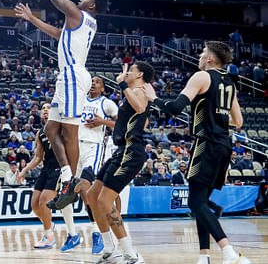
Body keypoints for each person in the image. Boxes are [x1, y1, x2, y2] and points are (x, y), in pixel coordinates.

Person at [14, 0, 109, 210]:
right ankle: (68, 175)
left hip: (72, 76)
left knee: (69, 131)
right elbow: (58, 35)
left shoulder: (79, 14)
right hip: (70, 76)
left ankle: (73, 179)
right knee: (50, 130)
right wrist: (32, 19)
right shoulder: (84, 23)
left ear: (91, 5)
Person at [143, 41, 249, 264]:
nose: (200, 56)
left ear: (210, 58)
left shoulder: (202, 77)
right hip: (224, 145)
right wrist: (216, 118)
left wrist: (153, 98)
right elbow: (238, 121)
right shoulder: (230, 84)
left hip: (207, 143)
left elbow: (174, 107)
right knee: (200, 201)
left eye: (203, 53)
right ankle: (204, 257)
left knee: (195, 203)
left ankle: (229, 253)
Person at [91, 61, 154, 264]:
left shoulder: (142, 90)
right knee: (93, 196)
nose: (126, 73)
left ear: (140, 74)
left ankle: (131, 254)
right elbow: (143, 120)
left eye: (131, 70)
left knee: (104, 201)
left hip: (132, 150)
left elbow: (140, 106)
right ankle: (110, 249)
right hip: (121, 149)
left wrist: (122, 84)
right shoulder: (133, 92)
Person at [17, 103, 81, 251]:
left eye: (48, 108)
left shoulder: (63, 127)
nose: (46, 110)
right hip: (46, 168)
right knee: (34, 204)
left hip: (60, 167)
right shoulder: (40, 133)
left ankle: (48, 237)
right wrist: (24, 170)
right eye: (43, 108)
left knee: (44, 201)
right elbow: (38, 157)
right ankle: (49, 224)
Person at [74, 76, 119, 254]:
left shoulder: (107, 103)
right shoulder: (79, 100)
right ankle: (89, 229)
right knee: (78, 191)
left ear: (103, 88)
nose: (93, 83)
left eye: (98, 82)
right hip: (75, 147)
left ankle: (97, 233)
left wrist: (102, 122)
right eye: (91, 80)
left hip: (94, 146)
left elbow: (120, 125)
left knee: (85, 185)